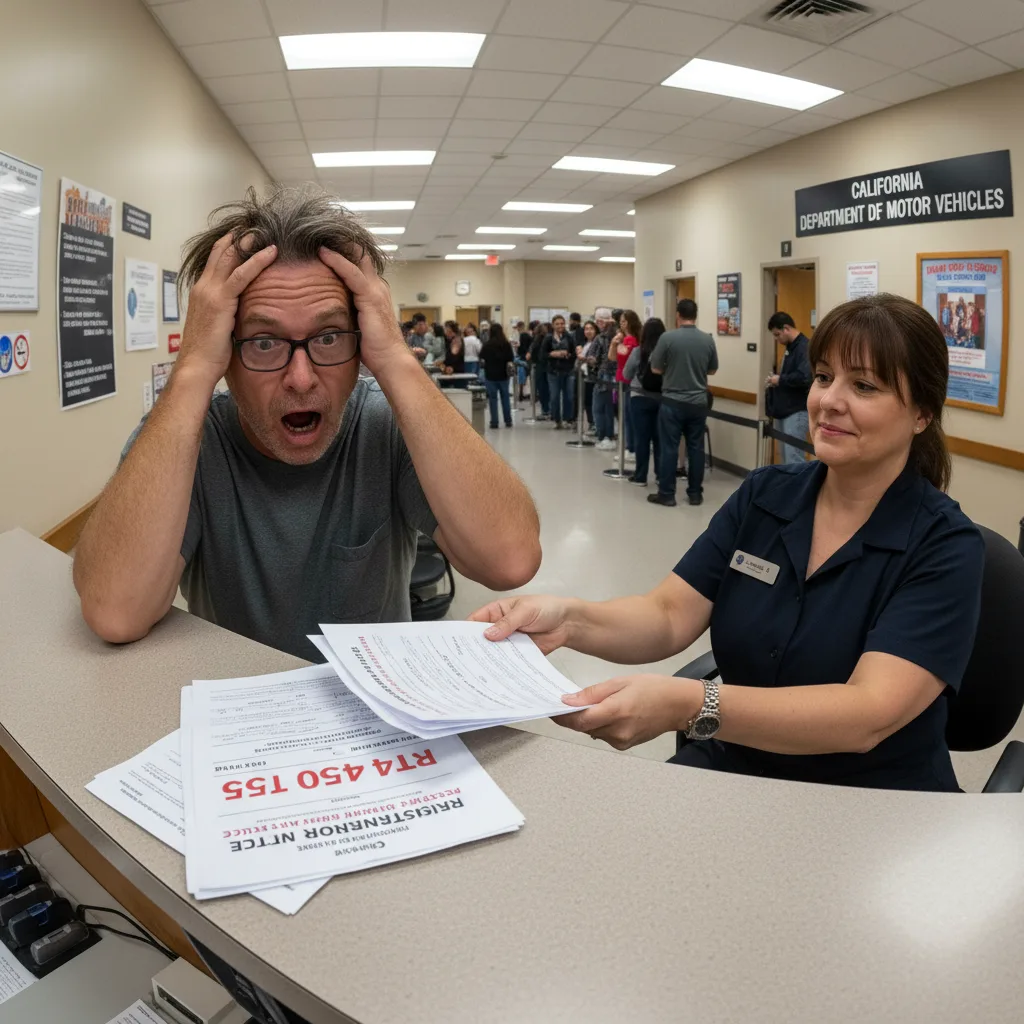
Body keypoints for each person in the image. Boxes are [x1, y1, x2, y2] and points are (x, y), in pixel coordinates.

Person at [472, 293, 984, 793]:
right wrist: (568, 619)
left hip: (869, 800)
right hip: (735, 769)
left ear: (921, 414)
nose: (829, 400)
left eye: (865, 386)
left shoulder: (945, 547)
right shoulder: (765, 497)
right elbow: (670, 613)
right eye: (824, 376)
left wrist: (694, 705)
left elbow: (866, 715)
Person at [73, 185, 541, 658]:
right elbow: (116, 611)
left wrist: (395, 358)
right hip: (236, 712)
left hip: (380, 715)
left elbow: (510, 560)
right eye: (263, 343)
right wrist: (192, 366)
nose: (300, 378)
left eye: (330, 337)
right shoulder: (187, 439)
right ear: (224, 355)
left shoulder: (384, 423)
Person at [648, 298, 718, 508]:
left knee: (669, 448)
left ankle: (667, 494)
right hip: (698, 402)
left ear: (678, 315)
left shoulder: (667, 338)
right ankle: (695, 494)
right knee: (696, 448)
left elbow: (655, 369)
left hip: (673, 401)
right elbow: (712, 370)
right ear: (695, 315)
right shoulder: (707, 339)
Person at [766, 311, 812, 466]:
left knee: (794, 457)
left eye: (778, 334)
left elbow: (805, 377)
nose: (777, 339)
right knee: (785, 456)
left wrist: (780, 379)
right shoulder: (790, 348)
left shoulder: (804, 347)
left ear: (786, 328)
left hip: (797, 410)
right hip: (784, 409)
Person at [624, 317, 664, 487]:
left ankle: (640, 476)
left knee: (642, 439)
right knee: (660, 439)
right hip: (662, 399)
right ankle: (661, 475)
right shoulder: (666, 353)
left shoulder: (638, 352)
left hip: (639, 398)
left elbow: (626, 374)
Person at [616, 310, 643, 465]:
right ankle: (628, 446)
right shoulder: (625, 338)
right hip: (622, 378)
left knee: (629, 415)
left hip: (629, 379)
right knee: (625, 414)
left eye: (624, 321)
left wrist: (617, 343)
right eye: (621, 321)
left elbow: (624, 355)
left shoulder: (631, 340)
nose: (622, 324)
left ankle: (631, 447)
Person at [480, 323, 515, 429]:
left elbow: (482, 358)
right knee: (505, 398)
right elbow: (511, 358)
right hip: (504, 375)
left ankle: (494, 422)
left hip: (490, 375)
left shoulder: (487, 345)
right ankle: (508, 420)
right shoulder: (506, 344)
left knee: (492, 399)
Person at [544, 314, 576, 429]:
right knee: (554, 397)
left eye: (562, 323)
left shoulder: (570, 337)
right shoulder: (548, 338)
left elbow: (574, 354)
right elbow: (542, 355)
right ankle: (556, 419)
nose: (560, 326)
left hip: (568, 371)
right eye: (557, 324)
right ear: (553, 325)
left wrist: (567, 355)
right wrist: (552, 354)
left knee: (569, 396)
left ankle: (568, 419)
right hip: (553, 372)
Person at [578, 319, 599, 434]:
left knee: (593, 401)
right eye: (586, 329)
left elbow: (594, 360)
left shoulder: (597, 342)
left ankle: (595, 423)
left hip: (594, 376)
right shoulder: (585, 344)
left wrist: (583, 358)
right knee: (587, 401)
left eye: (591, 329)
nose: (588, 331)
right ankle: (591, 422)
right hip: (586, 376)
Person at [529, 321, 551, 420]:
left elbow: (533, 355)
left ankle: (545, 410)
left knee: (542, 390)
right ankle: (550, 410)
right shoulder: (550, 339)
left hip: (540, 367)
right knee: (550, 390)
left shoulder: (536, 341)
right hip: (549, 367)